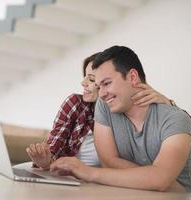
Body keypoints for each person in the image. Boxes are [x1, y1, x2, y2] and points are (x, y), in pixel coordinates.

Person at [50, 46, 191, 193]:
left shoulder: (175, 118)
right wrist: (151, 177)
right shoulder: (105, 106)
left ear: (133, 77)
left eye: (107, 83)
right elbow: (108, 161)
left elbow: (160, 180)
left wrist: (88, 172)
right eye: (99, 86)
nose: (101, 94)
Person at [26, 52, 177, 170]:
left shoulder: (125, 110)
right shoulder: (75, 104)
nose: (83, 83)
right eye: (86, 77)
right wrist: (45, 161)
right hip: (70, 178)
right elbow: (53, 149)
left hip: (107, 184)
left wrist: (166, 102)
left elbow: (186, 126)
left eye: (91, 80)